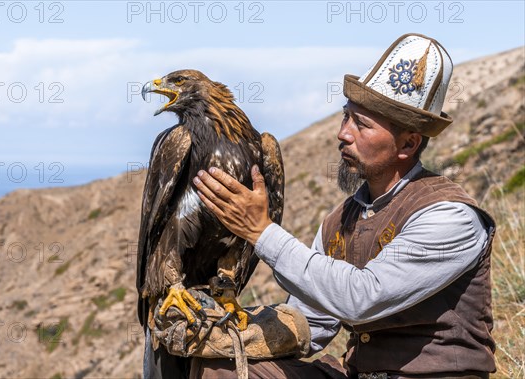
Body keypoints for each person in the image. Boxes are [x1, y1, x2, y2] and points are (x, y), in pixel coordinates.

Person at [191, 33, 496, 379]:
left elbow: (362, 298)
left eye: (362, 124)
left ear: (408, 144)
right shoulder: (338, 222)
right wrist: (231, 328)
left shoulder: (450, 216)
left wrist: (262, 233)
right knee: (218, 368)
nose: (343, 134)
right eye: (346, 117)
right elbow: (313, 322)